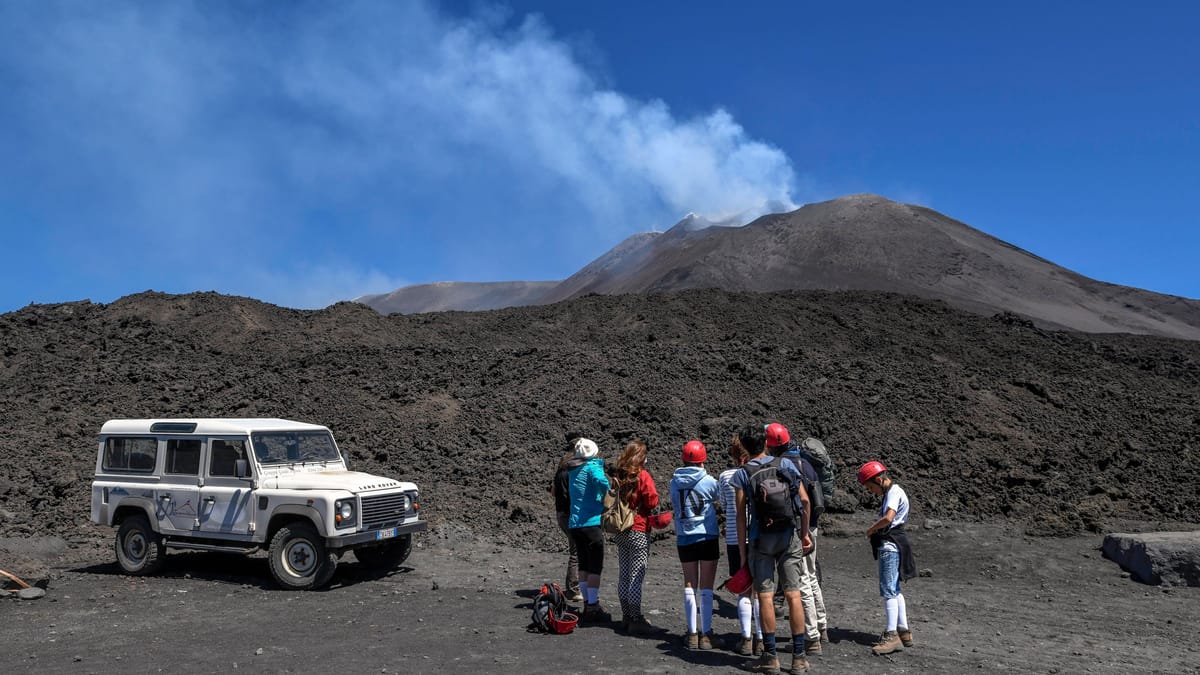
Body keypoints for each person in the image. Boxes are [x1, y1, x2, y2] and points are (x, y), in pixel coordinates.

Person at [733, 425, 813, 674]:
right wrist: (804, 533)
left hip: (761, 539)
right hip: (788, 536)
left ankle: (770, 657)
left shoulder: (742, 474)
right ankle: (798, 658)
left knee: (765, 596)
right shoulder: (785, 465)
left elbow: (740, 516)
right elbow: (806, 500)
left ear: (745, 448)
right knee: (793, 594)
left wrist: (744, 553)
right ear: (766, 443)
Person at [767, 422, 829, 657]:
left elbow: (801, 501)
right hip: (812, 526)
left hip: (799, 529)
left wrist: (801, 533)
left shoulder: (786, 465)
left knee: (801, 581)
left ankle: (811, 637)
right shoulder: (806, 462)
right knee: (811, 577)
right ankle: (822, 626)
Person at [858, 460, 917, 656]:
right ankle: (904, 631)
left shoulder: (892, 492)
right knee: (895, 588)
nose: (871, 491)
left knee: (888, 590)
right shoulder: (895, 491)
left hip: (890, 546)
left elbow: (889, 517)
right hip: (897, 543)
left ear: (878, 480)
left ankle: (891, 636)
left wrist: (871, 529)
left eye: (870, 487)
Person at [670, 439, 721, 650]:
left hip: (684, 536)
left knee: (690, 584)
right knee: (707, 588)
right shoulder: (709, 481)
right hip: (707, 535)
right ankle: (706, 633)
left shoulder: (674, 481)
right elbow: (720, 499)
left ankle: (691, 633)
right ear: (703, 460)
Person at [718, 434, 763, 656]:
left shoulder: (726, 476)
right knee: (761, 589)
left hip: (735, 539)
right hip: (758, 537)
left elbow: (726, 505)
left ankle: (746, 638)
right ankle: (762, 639)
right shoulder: (759, 472)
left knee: (743, 589)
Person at [612, 439, 660, 634]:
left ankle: (625, 615)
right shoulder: (643, 475)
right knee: (636, 576)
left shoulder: (618, 475)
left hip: (621, 529)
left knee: (624, 574)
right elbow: (652, 500)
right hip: (638, 528)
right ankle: (635, 617)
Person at [565, 437, 612, 622]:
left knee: (583, 564)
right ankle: (593, 606)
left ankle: (587, 604)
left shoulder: (572, 469)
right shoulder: (592, 467)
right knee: (595, 566)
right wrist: (606, 494)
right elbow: (602, 482)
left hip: (575, 524)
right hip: (591, 523)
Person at [550, 437, 584, 602]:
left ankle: (574, 586)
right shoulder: (574, 469)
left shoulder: (560, 468)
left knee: (576, 549)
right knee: (576, 551)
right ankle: (573, 588)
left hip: (561, 513)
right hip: (571, 514)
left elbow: (553, 492)